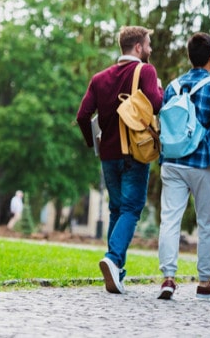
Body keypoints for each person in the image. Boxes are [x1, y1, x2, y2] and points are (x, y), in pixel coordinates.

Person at [76, 26, 164, 295]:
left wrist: (95, 144)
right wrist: (159, 90)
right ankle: (113, 259)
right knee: (131, 209)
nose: (150, 49)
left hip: (108, 156)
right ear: (137, 47)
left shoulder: (99, 78)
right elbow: (156, 104)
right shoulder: (145, 71)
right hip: (135, 154)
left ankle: (117, 273)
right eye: (148, 44)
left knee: (117, 209)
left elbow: (82, 116)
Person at [156, 32, 210, 301]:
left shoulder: (172, 86)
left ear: (190, 56)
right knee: (208, 223)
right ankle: (204, 282)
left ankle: (167, 278)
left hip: (173, 161)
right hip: (203, 162)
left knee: (170, 219)